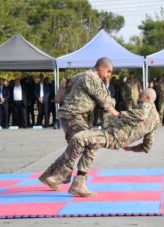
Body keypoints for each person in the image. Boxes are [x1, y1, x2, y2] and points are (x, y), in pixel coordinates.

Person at [44, 88, 161, 197]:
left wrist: (118, 113)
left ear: (148, 98)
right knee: (91, 147)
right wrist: (130, 148)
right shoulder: (155, 120)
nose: (138, 98)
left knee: (79, 137)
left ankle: (60, 175)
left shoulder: (147, 106)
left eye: (140, 96)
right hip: (113, 134)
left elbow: (142, 115)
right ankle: (77, 183)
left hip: (112, 135)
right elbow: (147, 146)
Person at [38, 57, 119, 189]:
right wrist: (118, 114)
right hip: (74, 115)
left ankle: (49, 174)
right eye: (108, 71)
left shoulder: (80, 75)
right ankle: (72, 180)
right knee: (92, 143)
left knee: (75, 145)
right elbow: (104, 101)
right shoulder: (92, 77)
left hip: (68, 115)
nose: (109, 75)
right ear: (101, 67)